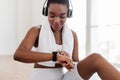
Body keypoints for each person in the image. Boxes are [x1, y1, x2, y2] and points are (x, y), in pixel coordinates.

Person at [13, 0, 120, 80]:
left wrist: (68, 62)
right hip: (42, 77)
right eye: (52, 16)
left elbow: (75, 66)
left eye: (62, 16)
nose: (57, 21)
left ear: (68, 14)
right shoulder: (37, 31)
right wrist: (55, 56)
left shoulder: (72, 35)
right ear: (46, 12)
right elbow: (18, 54)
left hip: (64, 77)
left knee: (96, 58)